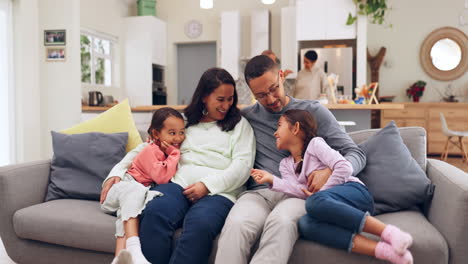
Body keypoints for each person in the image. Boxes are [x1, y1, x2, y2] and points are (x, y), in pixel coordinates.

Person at [214, 55, 366, 264]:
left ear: (282, 76)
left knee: (282, 222)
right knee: (236, 224)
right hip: (258, 194)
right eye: (261, 95)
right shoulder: (246, 118)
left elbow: (356, 153)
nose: (270, 99)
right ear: (251, 93)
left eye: (274, 88)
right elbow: (210, 127)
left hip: (297, 193)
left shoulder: (312, 111)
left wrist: (329, 172)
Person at [101, 67, 256, 264]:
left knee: (200, 225)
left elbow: (242, 167)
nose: (226, 105)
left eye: (230, 98)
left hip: (219, 193)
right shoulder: (184, 122)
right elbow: (145, 148)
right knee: (155, 212)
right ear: (204, 97)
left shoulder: (240, 125)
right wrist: (117, 171)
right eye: (220, 99)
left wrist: (207, 186)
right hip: (177, 185)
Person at [251, 109, 413, 264]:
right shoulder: (285, 165)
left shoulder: (315, 145)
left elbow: (345, 167)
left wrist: (321, 192)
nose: (275, 132)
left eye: (279, 125)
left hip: (354, 193)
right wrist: (272, 180)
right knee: (306, 224)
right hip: (330, 207)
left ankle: (390, 233)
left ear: (296, 128)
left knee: (313, 201)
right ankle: (386, 252)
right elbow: (298, 191)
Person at [100, 107, 186, 264]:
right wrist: (174, 154)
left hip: (129, 199)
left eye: (182, 132)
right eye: (172, 133)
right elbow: (161, 178)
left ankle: (119, 257)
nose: (179, 138)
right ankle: (134, 247)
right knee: (137, 190)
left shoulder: (163, 151)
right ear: (156, 134)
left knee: (133, 206)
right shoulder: (149, 151)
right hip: (118, 191)